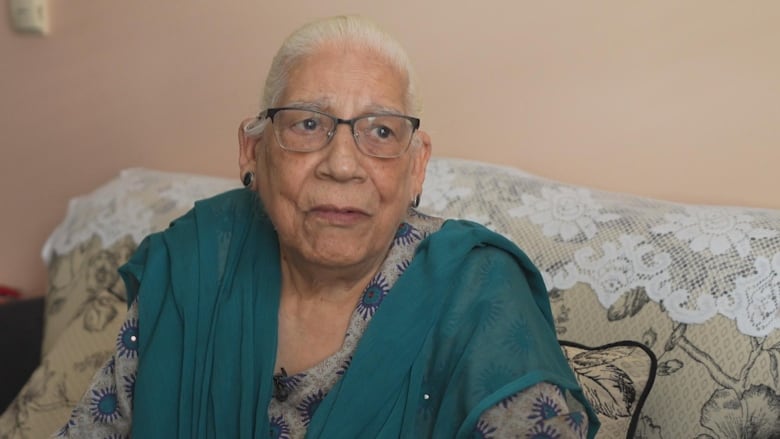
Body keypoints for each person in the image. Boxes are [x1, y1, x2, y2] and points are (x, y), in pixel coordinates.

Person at [54, 15, 598, 438]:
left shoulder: (477, 291)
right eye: (309, 123)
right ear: (253, 150)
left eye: (381, 131)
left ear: (417, 164)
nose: (342, 164)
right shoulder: (198, 259)